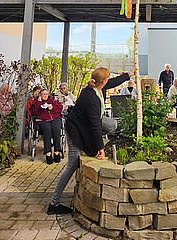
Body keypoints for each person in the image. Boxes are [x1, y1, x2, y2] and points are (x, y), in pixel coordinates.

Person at [47, 67, 110, 215]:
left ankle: (91, 147)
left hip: (82, 127)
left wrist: (128, 75)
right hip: (75, 130)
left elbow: (112, 82)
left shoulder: (92, 88)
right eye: (107, 78)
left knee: (111, 125)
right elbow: (95, 126)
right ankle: (54, 204)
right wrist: (100, 148)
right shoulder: (92, 98)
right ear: (103, 81)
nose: (109, 81)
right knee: (72, 164)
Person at [89, 69, 136, 135]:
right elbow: (91, 117)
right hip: (89, 119)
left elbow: (116, 81)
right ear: (103, 81)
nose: (109, 79)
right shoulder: (90, 94)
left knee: (112, 124)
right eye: (108, 78)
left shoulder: (102, 86)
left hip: (97, 117)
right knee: (110, 125)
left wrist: (129, 74)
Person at [30, 89, 63, 164]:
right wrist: (39, 104)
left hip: (55, 118)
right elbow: (33, 112)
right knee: (47, 130)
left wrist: (52, 108)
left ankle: (57, 152)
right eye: (43, 94)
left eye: (46, 94)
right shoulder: (36, 101)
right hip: (43, 119)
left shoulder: (52, 100)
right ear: (40, 95)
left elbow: (60, 108)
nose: (45, 95)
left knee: (56, 129)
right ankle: (48, 153)